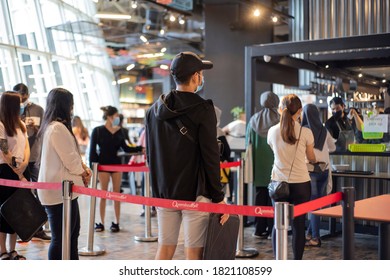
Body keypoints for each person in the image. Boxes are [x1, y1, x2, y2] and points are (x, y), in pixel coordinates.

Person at [145, 51, 229, 260]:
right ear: (195, 77)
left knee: (164, 249)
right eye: (200, 73)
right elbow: (211, 157)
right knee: (194, 253)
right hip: (195, 192)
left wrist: (157, 192)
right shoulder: (203, 109)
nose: (201, 78)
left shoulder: (153, 111)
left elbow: (151, 155)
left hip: (165, 191)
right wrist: (218, 198)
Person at [37, 88, 92, 260]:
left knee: (71, 234)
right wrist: (84, 172)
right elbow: (71, 160)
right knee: (61, 238)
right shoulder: (57, 128)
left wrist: (83, 169)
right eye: (70, 104)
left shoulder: (54, 127)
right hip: (59, 192)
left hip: (66, 191)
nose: (72, 108)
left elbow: (72, 156)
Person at [267, 94, 316, 260]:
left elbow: (275, 151)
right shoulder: (306, 132)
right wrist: (314, 160)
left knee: (278, 224)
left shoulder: (272, 131)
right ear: (300, 111)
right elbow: (311, 157)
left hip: (278, 183)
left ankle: (278, 261)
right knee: (299, 225)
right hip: (301, 183)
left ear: (281, 109)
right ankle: (296, 264)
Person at [89, 106, 143, 233]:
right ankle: (100, 222)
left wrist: (140, 149)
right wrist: (94, 168)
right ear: (110, 116)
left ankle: (116, 222)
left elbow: (125, 148)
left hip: (116, 164)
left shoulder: (121, 131)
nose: (118, 118)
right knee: (103, 194)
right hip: (102, 166)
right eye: (116, 116)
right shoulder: (97, 131)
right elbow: (92, 152)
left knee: (116, 194)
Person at [13, 83, 51, 241]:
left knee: (39, 193)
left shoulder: (38, 110)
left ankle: (38, 228)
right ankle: (22, 228)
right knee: (20, 195)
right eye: (18, 98)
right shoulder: (11, 109)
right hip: (17, 159)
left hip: (34, 157)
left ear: (28, 96)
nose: (21, 102)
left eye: (23, 98)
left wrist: (35, 129)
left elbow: (46, 130)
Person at [0, 91, 30, 260]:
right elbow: (4, 150)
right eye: (19, 102)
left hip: (21, 169)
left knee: (19, 212)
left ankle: (13, 249)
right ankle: (2, 250)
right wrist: (17, 170)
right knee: (4, 212)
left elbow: (26, 146)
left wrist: (24, 164)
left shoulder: (21, 124)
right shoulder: (1, 124)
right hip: (6, 170)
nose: (22, 105)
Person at [301, 104, 336, 247]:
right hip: (324, 170)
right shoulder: (324, 130)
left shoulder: (303, 131)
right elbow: (333, 147)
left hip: (310, 171)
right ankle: (310, 233)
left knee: (313, 206)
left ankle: (315, 238)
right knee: (317, 205)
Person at [246, 91, 279, 240]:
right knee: (275, 198)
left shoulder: (253, 120)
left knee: (260, 197)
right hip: (277, 167)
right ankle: (273, 228)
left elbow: (248, 143)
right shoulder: (280, 120)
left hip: (258, 167)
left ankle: (259, 229)